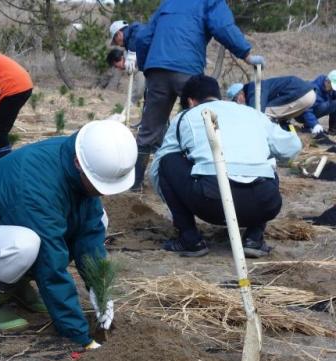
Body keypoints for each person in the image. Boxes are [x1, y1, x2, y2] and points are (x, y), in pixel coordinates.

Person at [0, 120, 137, 350]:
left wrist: (100, 289)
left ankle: (17, 287)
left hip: (7, 224)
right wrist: (78, 334)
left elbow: (89, 234)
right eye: (97, 185)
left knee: (99, 217)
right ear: (78, 164)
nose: (101, 191)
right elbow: (50, 262)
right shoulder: (39, 183)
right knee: (27, 244)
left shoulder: (83, 160)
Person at [151, 75, 302, 258]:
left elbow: (160, 165)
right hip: (265, 203)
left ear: (190, 101)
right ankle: (254, 238)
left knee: (167, 160)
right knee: (268, 162)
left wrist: (176, 200)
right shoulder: (252, 113)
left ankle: (190, 239)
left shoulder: (186, 116)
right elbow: (291, 147)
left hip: (212, 203)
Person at [129, 0, 265, 192]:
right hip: (187, 69)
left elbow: (143, 37)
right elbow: (223, 27)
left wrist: (147, 66)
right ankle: (201, 179)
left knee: (149, 129)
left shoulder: (168, 3)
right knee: (200, 125)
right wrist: (247, 55)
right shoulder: (210, 1)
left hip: (157, 70)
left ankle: (134, 184)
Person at [226, 76, 316, 128]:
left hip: (301, 94)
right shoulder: (255, 88)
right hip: (309, 94)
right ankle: (287, 133)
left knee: (261, 115)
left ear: (240, 93)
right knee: (280, 117)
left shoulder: (253, 88)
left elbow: (257, 113)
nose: (237, 103)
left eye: (235, 100)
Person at [308, 70, 336, 136]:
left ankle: (333, 130)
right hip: (303, 115)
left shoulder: (328, 85)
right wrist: (315, 125)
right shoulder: (315, 90)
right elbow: (307, 110)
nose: (333, 89)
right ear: (327, 82)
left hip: (315, 109)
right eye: (333, 86)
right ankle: (308, 126)